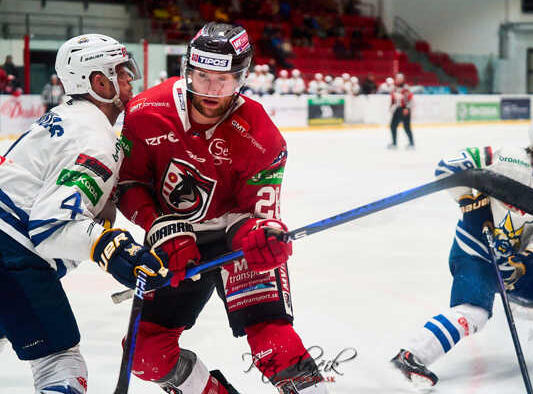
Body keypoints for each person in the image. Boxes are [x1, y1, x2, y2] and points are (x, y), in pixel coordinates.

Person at [116, 22, 328, 394]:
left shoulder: (262, 135)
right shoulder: (145, 112)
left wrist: (262, 237)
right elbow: (128, 184)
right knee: (144, 354)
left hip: (233, 238)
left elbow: (259, 215)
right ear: (187, 70)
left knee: (273, 343)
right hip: (173, 239)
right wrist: (159, 226)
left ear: (242, 79)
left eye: (225, 80)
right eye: (202, 76)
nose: (212, 90)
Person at [0, 34, 170, 393]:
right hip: (10, 253)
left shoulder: (65, 117)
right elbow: (50, 226)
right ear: (99, 81)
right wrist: (114, 249)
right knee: (60, 368)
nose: (130, 82)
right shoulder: (96, 138)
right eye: (122, 74)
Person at [391, 114, 533, 388]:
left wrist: (530, 261)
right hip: (475, 255)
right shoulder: (507, 158)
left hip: (514, 266)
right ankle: (410, 356)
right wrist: (470, 201)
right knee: (475, 312)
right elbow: (448, 167)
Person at [388, 73, 414, 149]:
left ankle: (412, 143)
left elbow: (410, 99)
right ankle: (394, 143)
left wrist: (407, 108)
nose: (398, 80)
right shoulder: (394, 88)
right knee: (393, 126)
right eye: (397, 79)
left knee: (406, 127)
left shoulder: (406, 88)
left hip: (405, 109)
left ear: (402, 80)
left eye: (400, 79)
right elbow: (393, 98)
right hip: (397, 109)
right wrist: (391, 106)